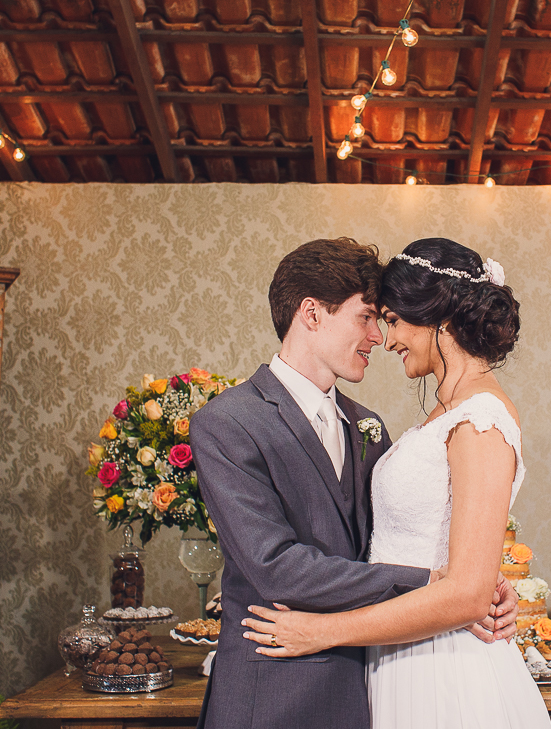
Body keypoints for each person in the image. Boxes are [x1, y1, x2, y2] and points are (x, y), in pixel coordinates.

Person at [190, 238, 518, 729]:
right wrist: (439, 584)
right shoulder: (227, 422)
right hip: (277, 687)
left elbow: (393, 537)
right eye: (367, 317)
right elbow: (275, 566)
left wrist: (475, 587)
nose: (378, 338)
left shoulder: (368, 425)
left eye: (384, 320)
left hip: (374, 680)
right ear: (312, 313)